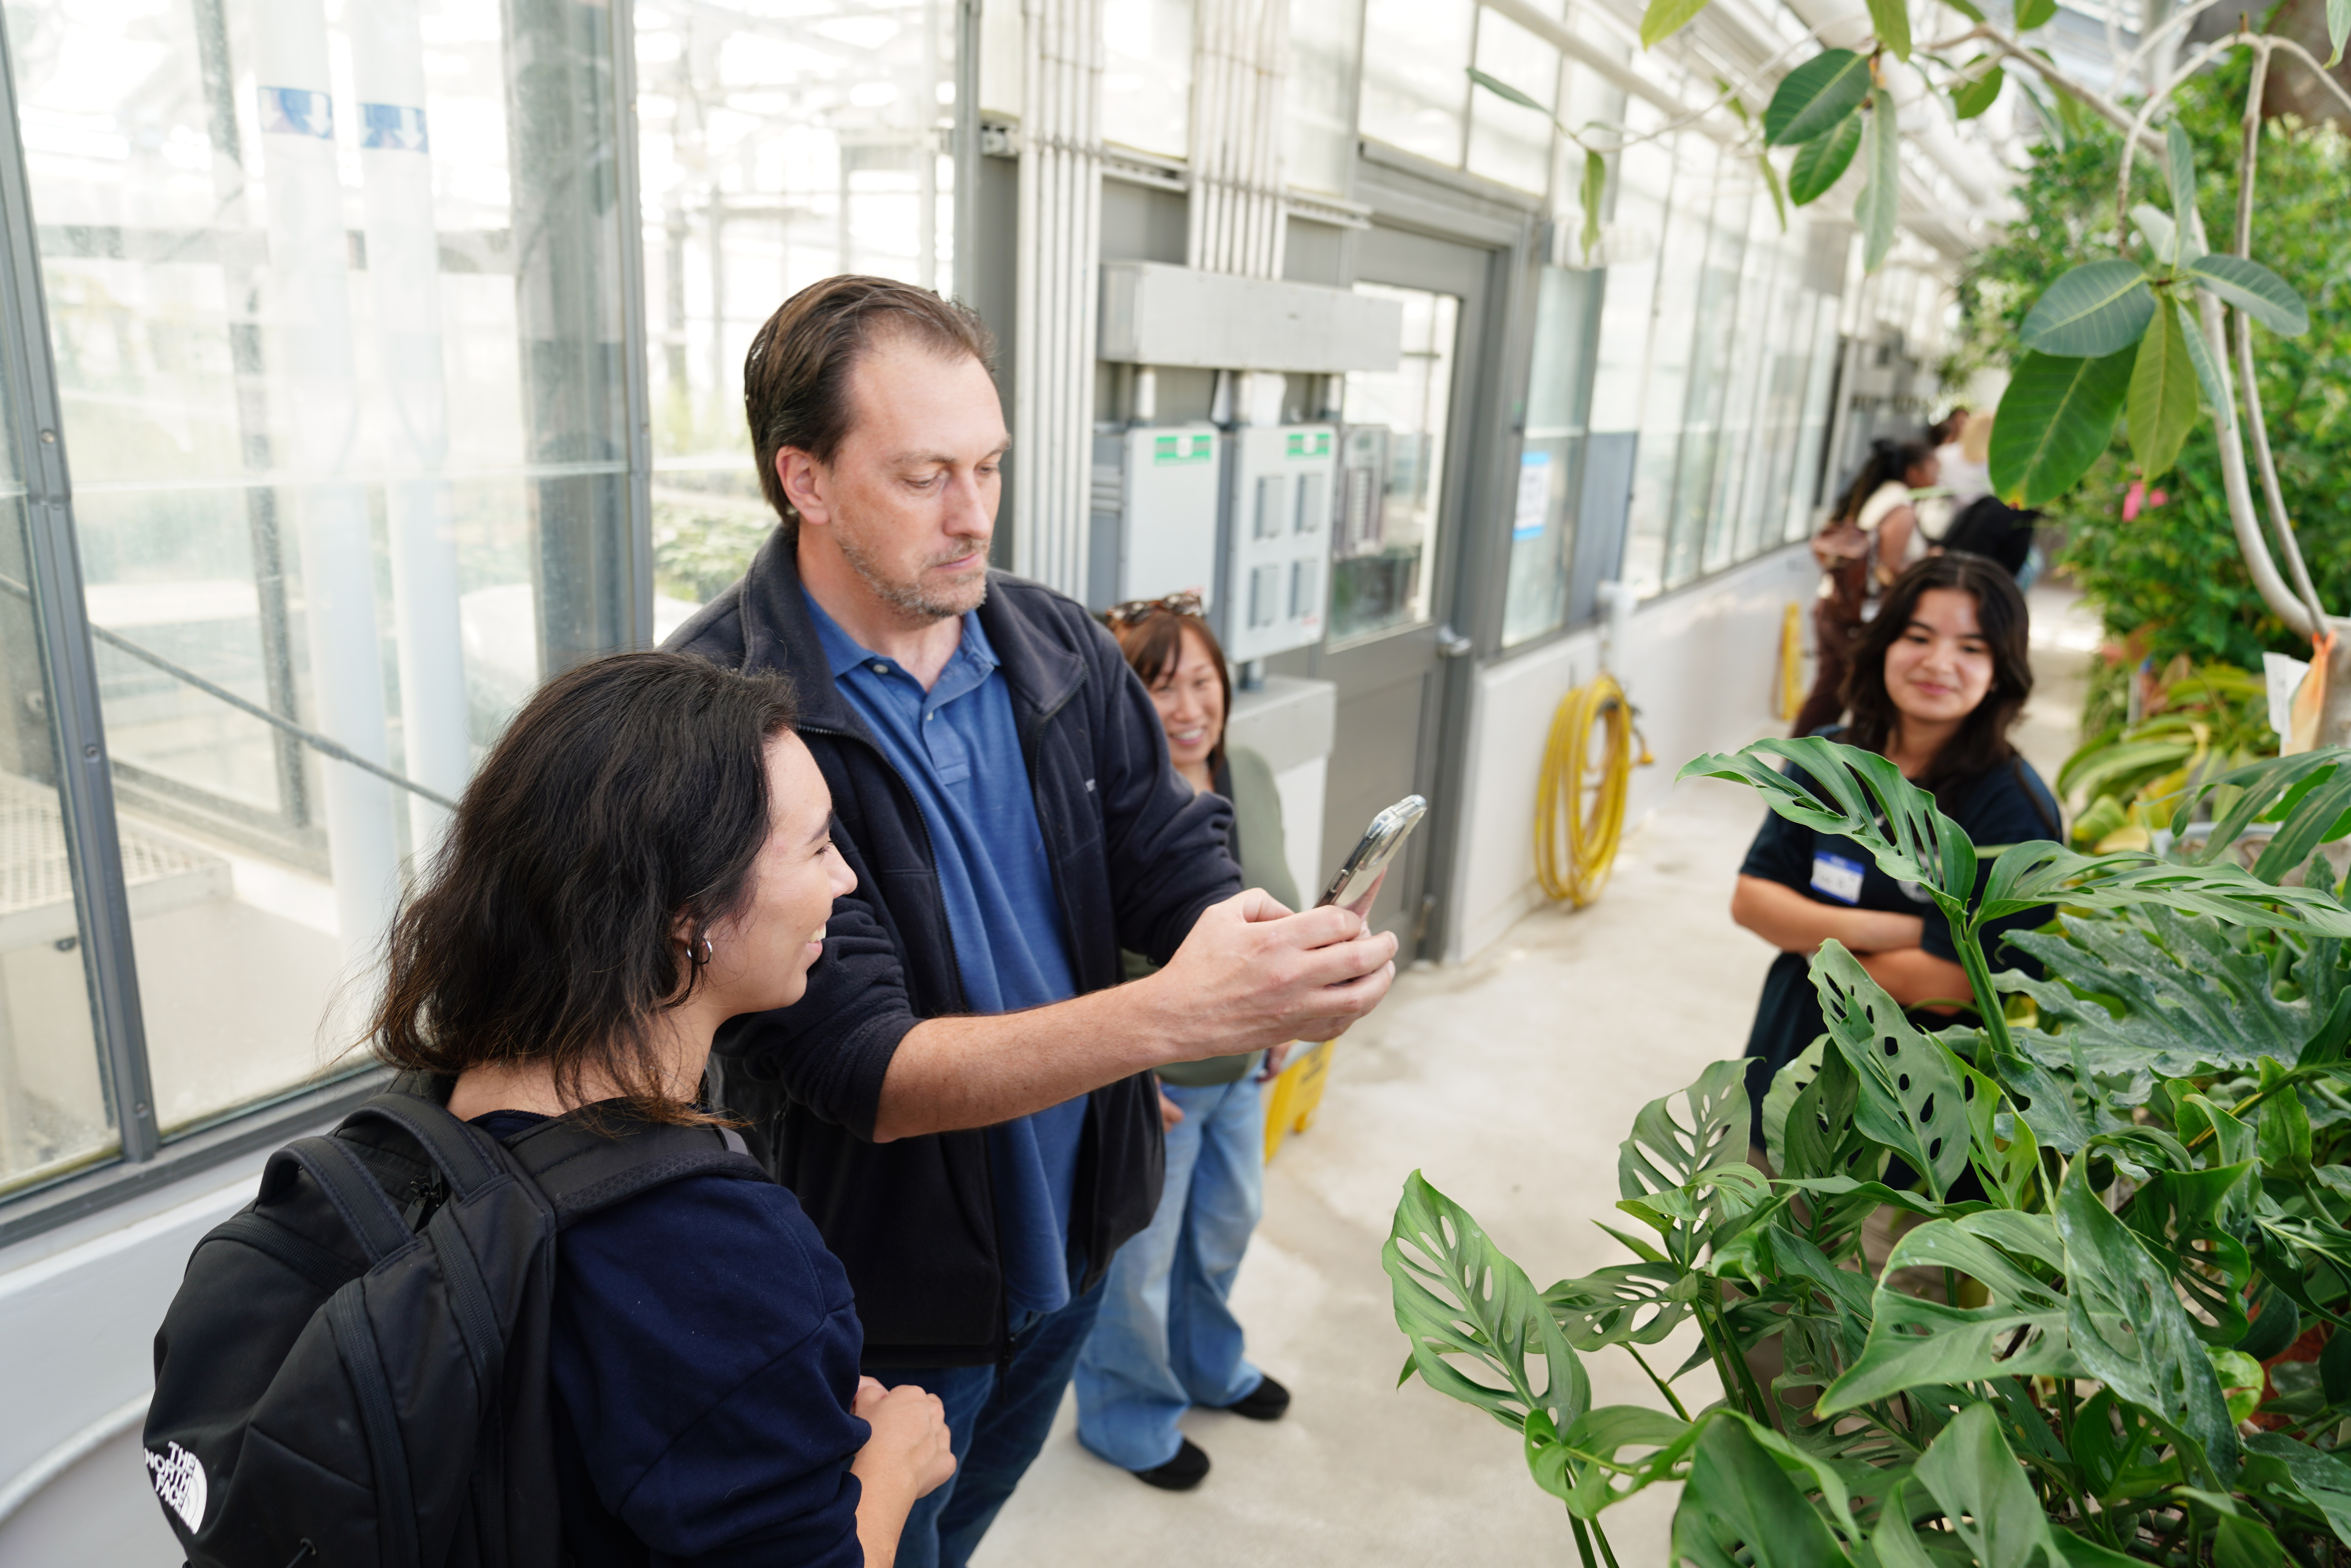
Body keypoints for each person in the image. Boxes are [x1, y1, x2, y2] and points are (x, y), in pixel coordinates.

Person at [664, 275, 1398, 1568]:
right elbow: (860, 1067)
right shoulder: (720, 720)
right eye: (923, 475)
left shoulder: (1053, 643)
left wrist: (1255, 937)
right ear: (806, 479)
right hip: (881, 1307)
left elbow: (1168, 851)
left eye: (990, 467)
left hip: (1076, 1229)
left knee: (969, 1534)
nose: (971, 516)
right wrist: (1177, 1014)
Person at [372, 651, 958, 1565]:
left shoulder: (418, 1122)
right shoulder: (718, 1259)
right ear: (690, 915)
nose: (844, 882)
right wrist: (892, 1468)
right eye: (815, 847)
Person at [1073, 593, 1298, 1491]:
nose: (1188, 707)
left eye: (1202, 681)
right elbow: (1072, 964)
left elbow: (1274, 909)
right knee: (1138, 1265)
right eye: (1157, 687)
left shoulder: (1247, 770)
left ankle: (1209, 1365)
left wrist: (1283, 1011)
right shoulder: (1103, 808)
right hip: (1151, 1087)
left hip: (1240, 1073)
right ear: (1118, 703)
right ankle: (1124, 1417)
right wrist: (1114, 1077)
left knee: (1224, 1228)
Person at [1733, 554, 2061, 1145]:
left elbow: (1948, 984)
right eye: (1918, 637)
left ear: (1999, 670)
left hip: (1909, 1138)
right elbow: (1752, 901)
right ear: (1884, 644)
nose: (1939, 664)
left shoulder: (2013, 811)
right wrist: (1906, 930)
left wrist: (1812, 941)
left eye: (1971, 648)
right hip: (1783, 1078)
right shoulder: (1829, 760)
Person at [1792, 437, 1939, 738]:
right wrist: (1928, 561)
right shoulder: (1901, 509)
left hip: (1832, 609)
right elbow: (1887, 570)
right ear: (1913, 473)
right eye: (1933, 469)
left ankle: (1791, 772)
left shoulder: (1878, 495)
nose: (1938, 478)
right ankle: (1806, 772)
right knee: (1867, 700)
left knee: (1827, 696)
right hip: (1856, 620)